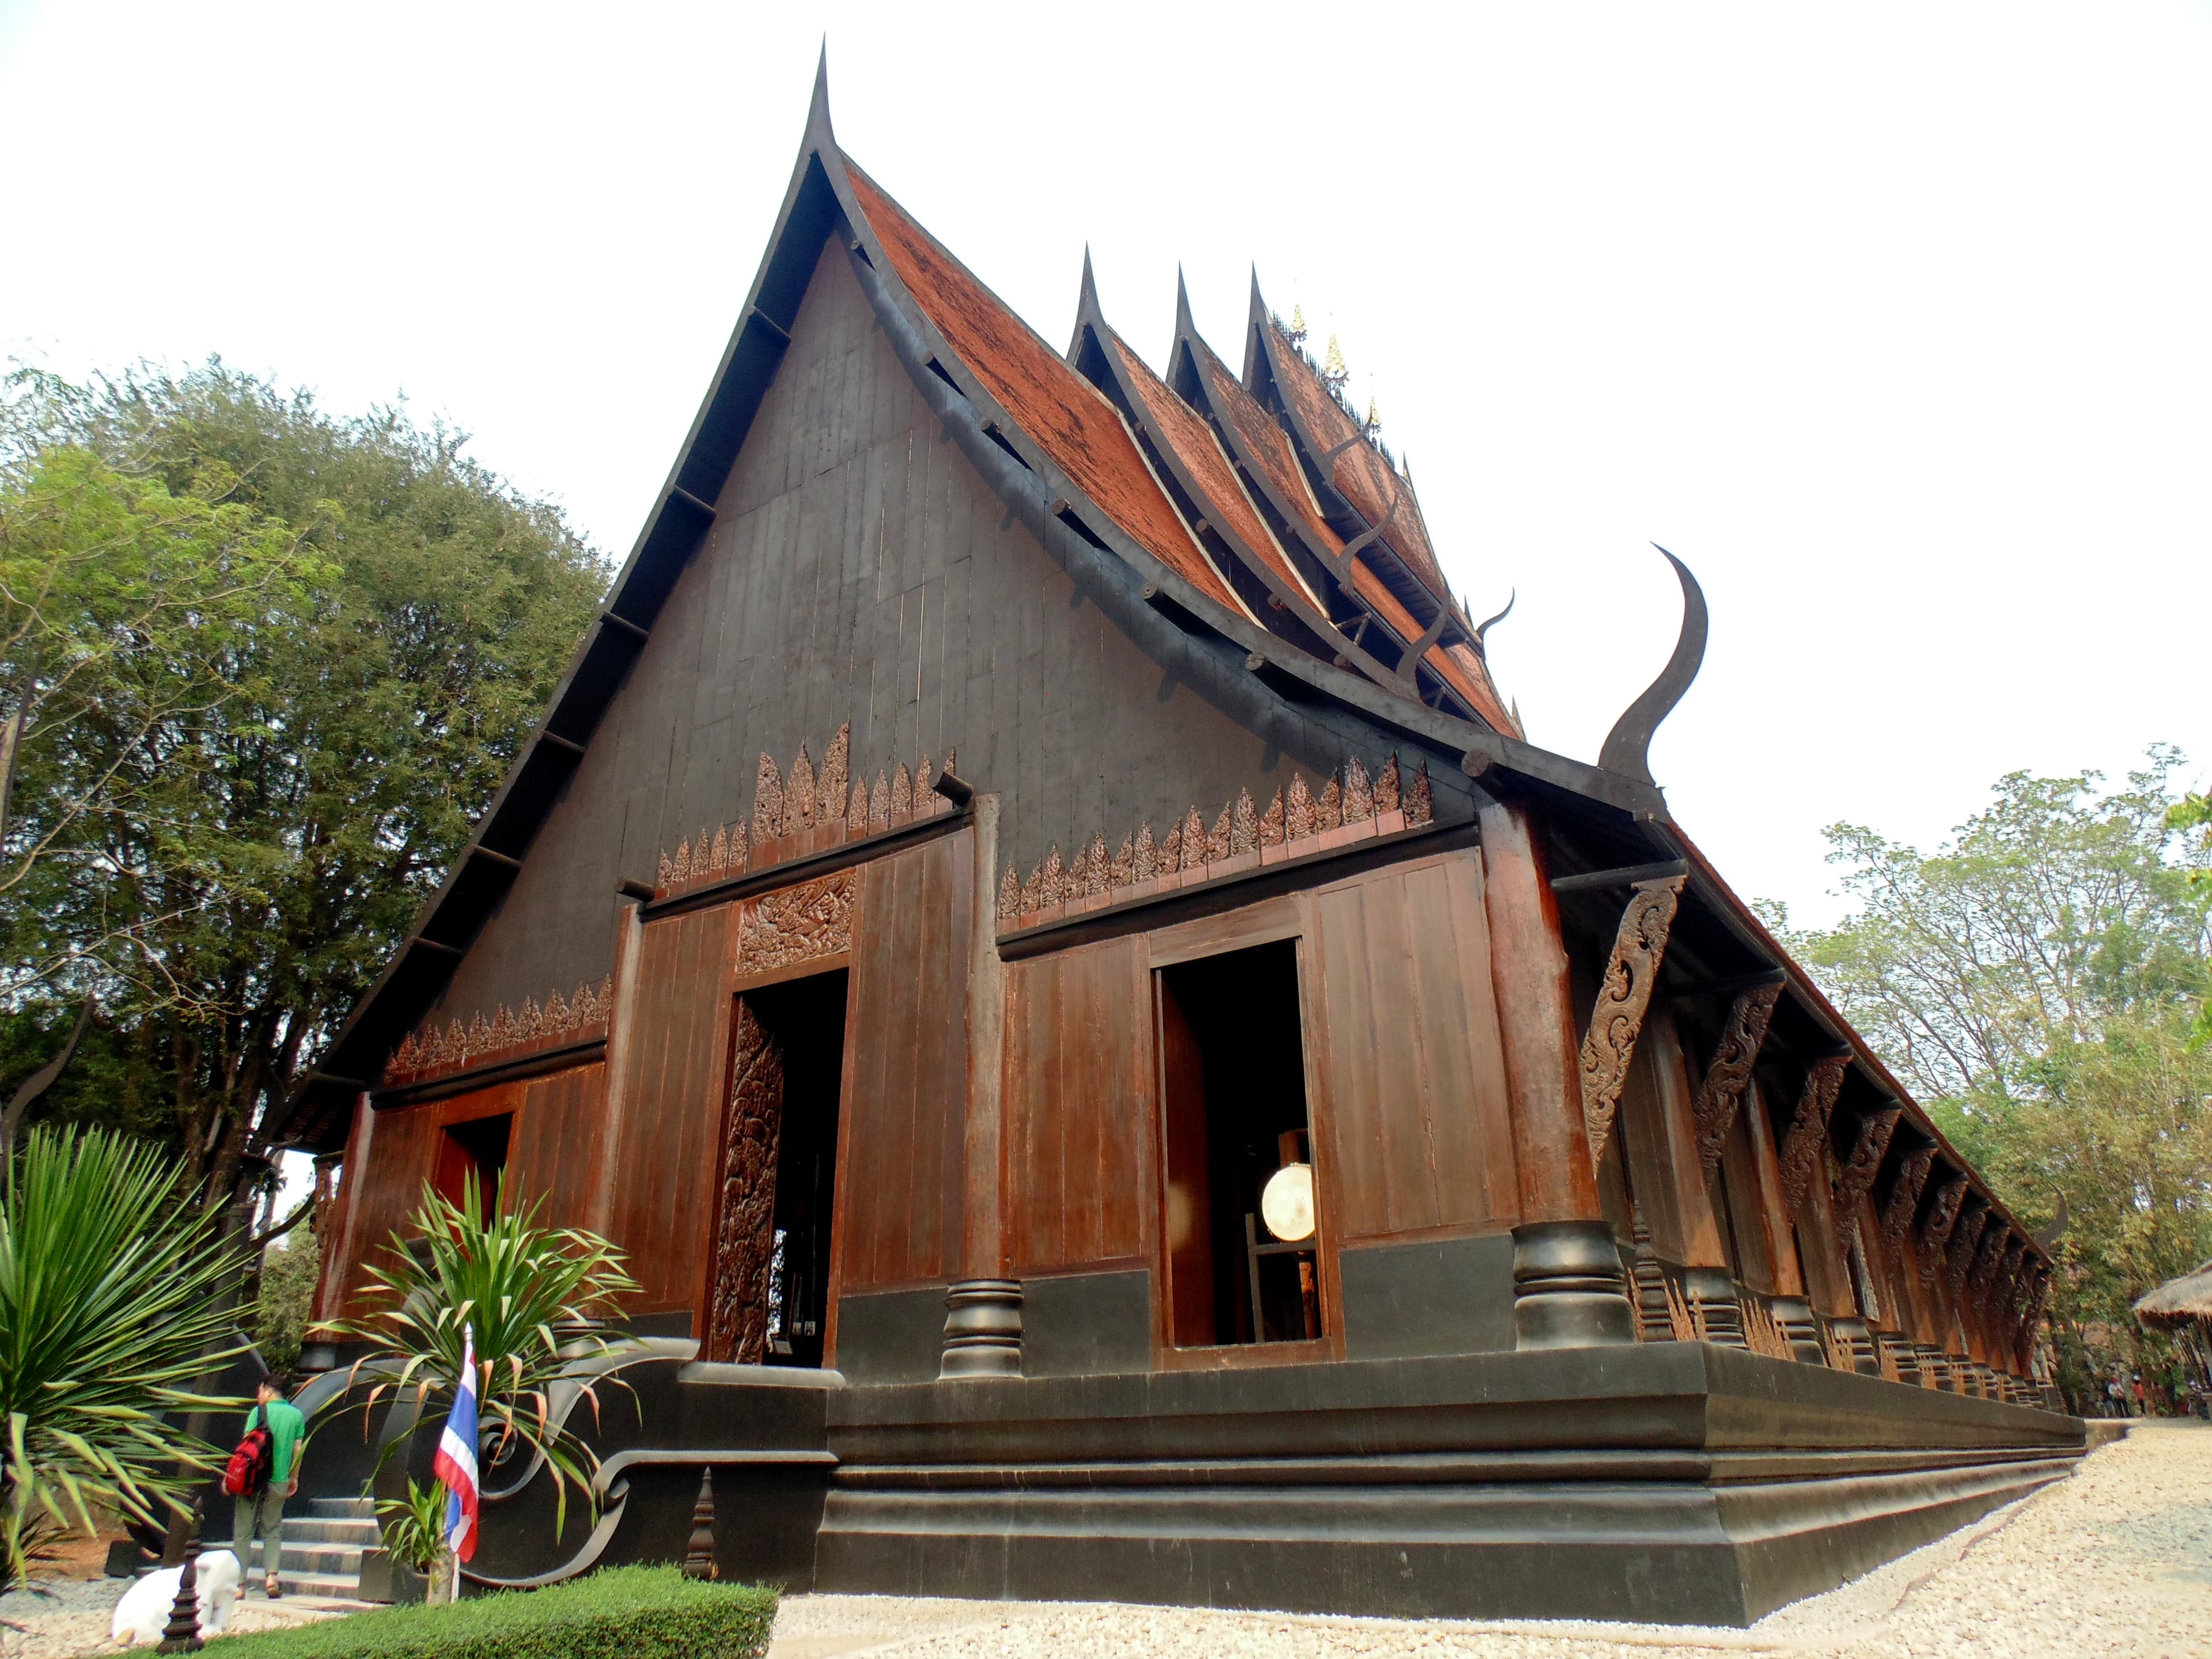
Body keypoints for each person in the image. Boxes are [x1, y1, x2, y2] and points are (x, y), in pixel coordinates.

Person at [234, 1370, 308, 1599]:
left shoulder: (258, 1413)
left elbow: (246, 1450)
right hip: (279, 1481)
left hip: (252, 1481)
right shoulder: (296, 1416)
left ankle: (239, 1585)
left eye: (260, 1391)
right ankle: (271, 1579)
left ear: (268, 1390)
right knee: (273, 1529)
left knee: (244, 1532)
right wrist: (293, 1478)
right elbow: (298, 1451)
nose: (258, 1396)